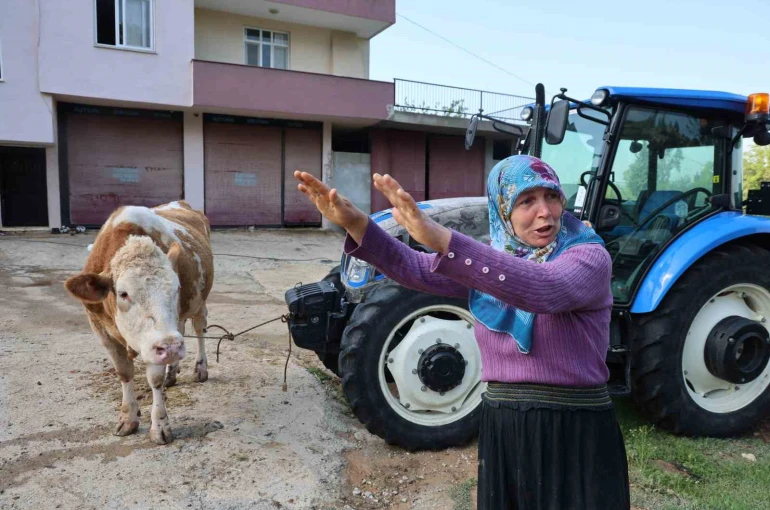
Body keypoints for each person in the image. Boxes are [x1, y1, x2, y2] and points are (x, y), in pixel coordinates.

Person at [294, 154, 630, 510]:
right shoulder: (494, 263)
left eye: (551, 197)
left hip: (573, 431)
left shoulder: (588, 258)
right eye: (527, 201)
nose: (544, 211)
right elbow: (414, 268)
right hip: (506, 427)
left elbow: (544, 289)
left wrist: (443, 239)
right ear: (503, 211)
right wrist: (357, 223)